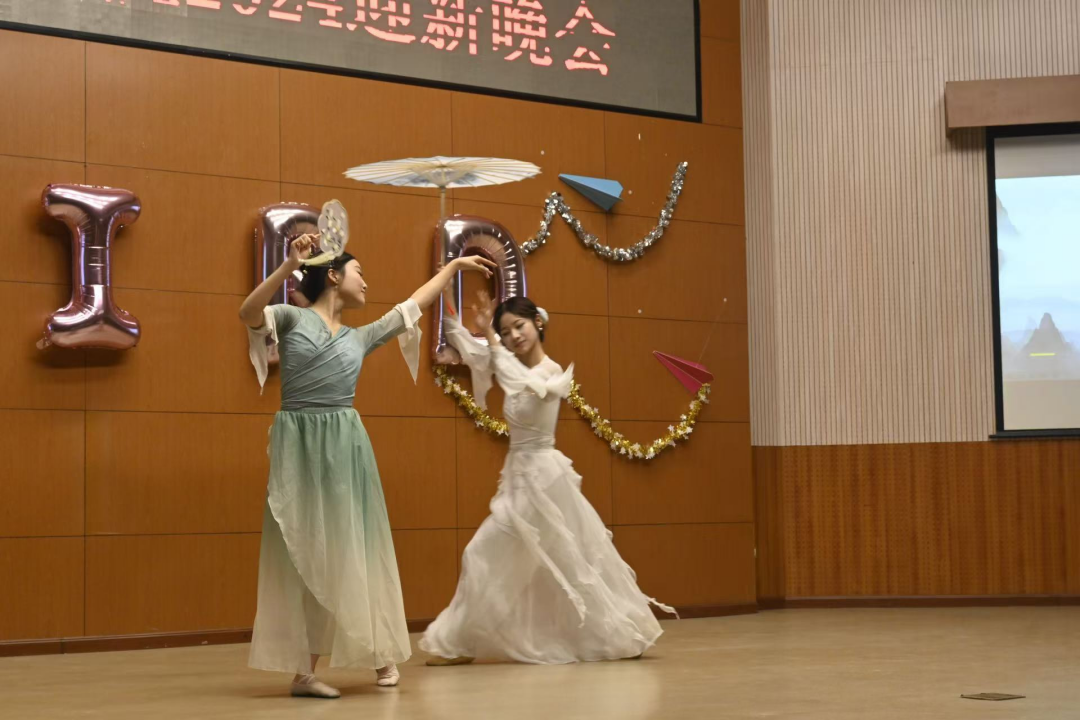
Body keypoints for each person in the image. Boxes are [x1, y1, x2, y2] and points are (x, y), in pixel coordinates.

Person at [239, 234, 495, 697]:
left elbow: (412, 306)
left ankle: (379, 655)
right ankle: (304, 674)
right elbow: (248, 312)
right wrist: (288, 266)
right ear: (333, 276)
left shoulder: (359, 336)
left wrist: (454, 268)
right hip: (299, 447)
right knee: (307, 550)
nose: (366, 282)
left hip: (346, 449)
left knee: (355, 545)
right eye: (359, 272)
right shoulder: (292, 318)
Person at [420, 289, 675, 666]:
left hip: (543, 479)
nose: (513, 336)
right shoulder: (513, 365)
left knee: (529, 556)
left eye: (518, 326)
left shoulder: (551, 372)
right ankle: (460, 643)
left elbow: (512, 376)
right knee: (555, 559)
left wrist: (490, 336)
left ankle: (458, 644)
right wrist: (452, 311)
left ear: (537, 323)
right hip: (519, 478)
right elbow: (479, 355)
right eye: (506, 332)